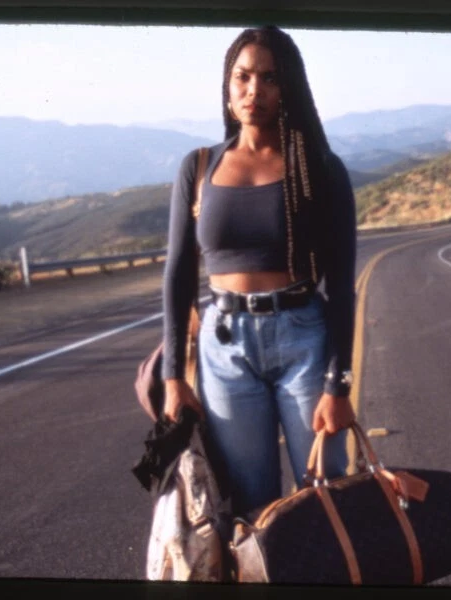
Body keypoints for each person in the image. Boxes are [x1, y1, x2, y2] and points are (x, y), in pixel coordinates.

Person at [160, 25, 357, 518]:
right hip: (223, 350)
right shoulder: (198, 167)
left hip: (303, 341)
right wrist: (172, 377)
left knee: (326, 495)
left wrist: (339, 384)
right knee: (251, 504)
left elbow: (342, 286)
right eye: (243, 77)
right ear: (227, 88)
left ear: (287, 87)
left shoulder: (320, 169)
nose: (254, 90)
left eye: (269, 78)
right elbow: (179, 274)